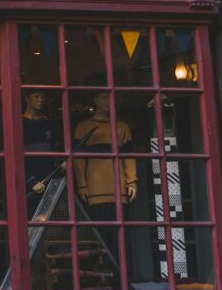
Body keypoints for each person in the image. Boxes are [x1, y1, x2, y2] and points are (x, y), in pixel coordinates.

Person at [72, 91, 137, 264]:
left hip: (119, 188)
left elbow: (128, 156)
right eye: (102, 97)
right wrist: (82, 185)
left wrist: (132, 181)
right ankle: (102, 273)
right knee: (98, 235)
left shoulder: (122, 127)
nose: (108, 101)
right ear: (94, 99)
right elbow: (78, 160)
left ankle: (121, 276)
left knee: (120, 237)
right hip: (94, 189)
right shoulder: (83, 127)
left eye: (111, 97)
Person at [22, 90, 63, 219]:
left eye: (43, 97)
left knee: (48, 225)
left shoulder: (49, 124)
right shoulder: (19, 124)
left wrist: (62, 163)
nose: (41, 100)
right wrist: (30, 181)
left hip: (49, 183)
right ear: (26, 98)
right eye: (36, 96)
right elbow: (14, 159)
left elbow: (57, 150)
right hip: (28, 186)